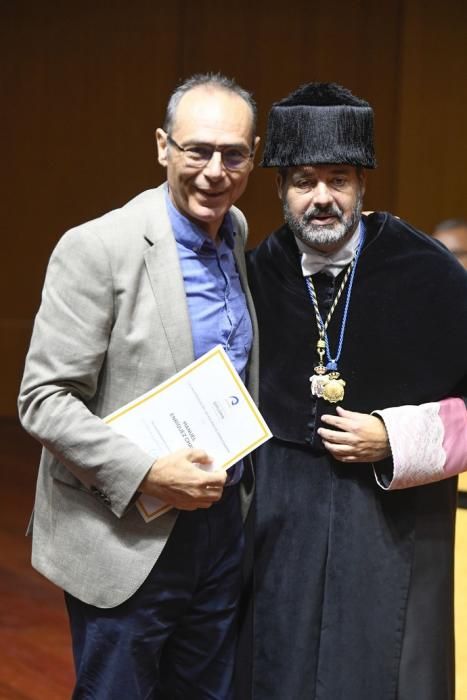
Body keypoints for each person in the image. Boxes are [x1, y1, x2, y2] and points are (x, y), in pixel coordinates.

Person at [18, 72, 260, 700]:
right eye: (197, 150)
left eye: (233, 154)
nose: (215, 171)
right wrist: (149, 473)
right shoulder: (98, 247)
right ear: (162, 147)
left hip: (220, 532)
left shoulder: (234, 234)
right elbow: (42, 401)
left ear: (252, 156)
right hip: (128, 532)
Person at [244, 82, 467, 700]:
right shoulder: (254, 273)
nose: (321, 198)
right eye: (304, 180)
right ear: (279, 187)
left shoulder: (429, 274)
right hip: (279, 534)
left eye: (338, 179)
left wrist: (393, 436)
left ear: (362, 183)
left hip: (389, 531)